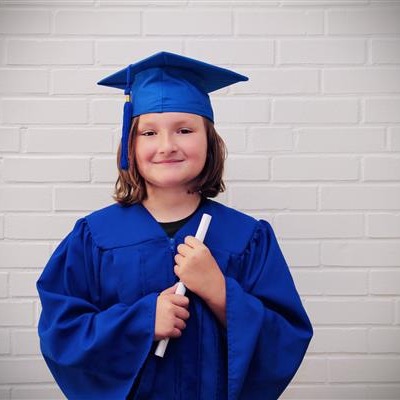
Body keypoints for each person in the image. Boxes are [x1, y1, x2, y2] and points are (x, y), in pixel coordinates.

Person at [37, 51, 313, 400]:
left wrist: (220, 292)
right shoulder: (93, 237)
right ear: (130, 147)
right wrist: (141, 322)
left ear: (209, 141)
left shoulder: (247, 237)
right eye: (149, 132)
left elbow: (287, 340)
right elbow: (60, 333)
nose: (166, 146)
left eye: (184, 129)